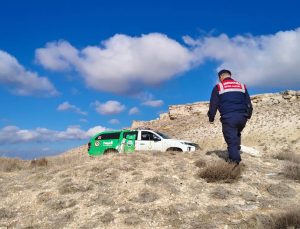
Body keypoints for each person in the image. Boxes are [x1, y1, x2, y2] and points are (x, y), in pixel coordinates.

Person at [207, 69, 253, 164]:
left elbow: (213, 105)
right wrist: (248, 115)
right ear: (230, 75)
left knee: (230, 139)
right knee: (236, 133)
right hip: (242, 117)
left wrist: (211, 118)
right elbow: (248, 102)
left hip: (229, 117)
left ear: (221, 77)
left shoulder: (219, 87)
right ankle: (236, 150)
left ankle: (235, 163)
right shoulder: (242, 86)